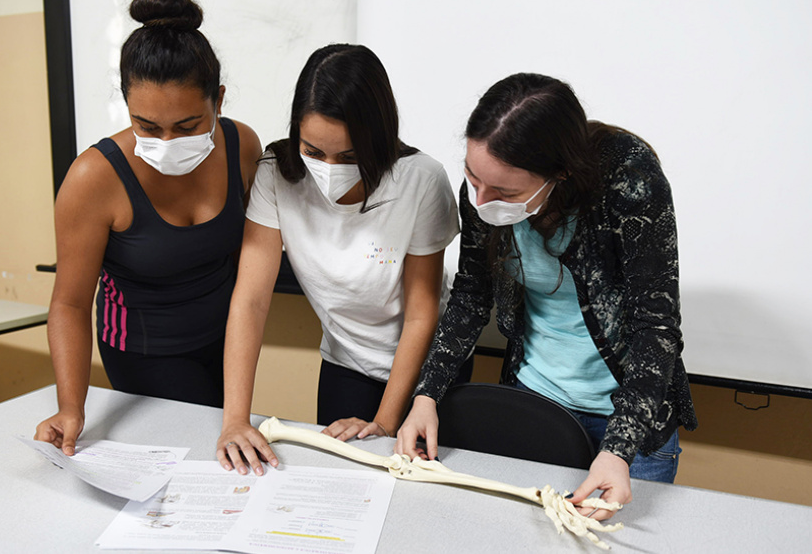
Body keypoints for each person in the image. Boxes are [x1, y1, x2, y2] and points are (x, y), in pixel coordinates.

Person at [396, 73, 697, 519]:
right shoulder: (485, 189)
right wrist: (427, 395)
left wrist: (618, 448)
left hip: (629, 420)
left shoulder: (629, 180)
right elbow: (471, 297)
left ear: (562, 173)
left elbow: (656, 326)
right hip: (535, 402)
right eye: (472, 178)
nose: (483, 200)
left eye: (505, 192)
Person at [216, 44, 462, 475]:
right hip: (344, 363)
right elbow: (251, 301)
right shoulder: (275, 173)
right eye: (313, 152)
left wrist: (385, 424)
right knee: (337, 486)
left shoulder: (420, 180)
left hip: (425, 374)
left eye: (348, 157)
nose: (329, 168)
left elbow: (421, 315)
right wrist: (235, 420)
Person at [35, 0, 260, 455]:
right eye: (148, 126)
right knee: (192, 460)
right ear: (127, 106)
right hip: (143, 351)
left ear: (218, 100)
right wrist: (71, 407)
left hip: (223, 342)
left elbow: (248, 260)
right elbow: (70, 304)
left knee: (227, 452)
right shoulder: (94, 178)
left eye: (187, 126)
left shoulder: (242, 146)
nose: (167, 142)